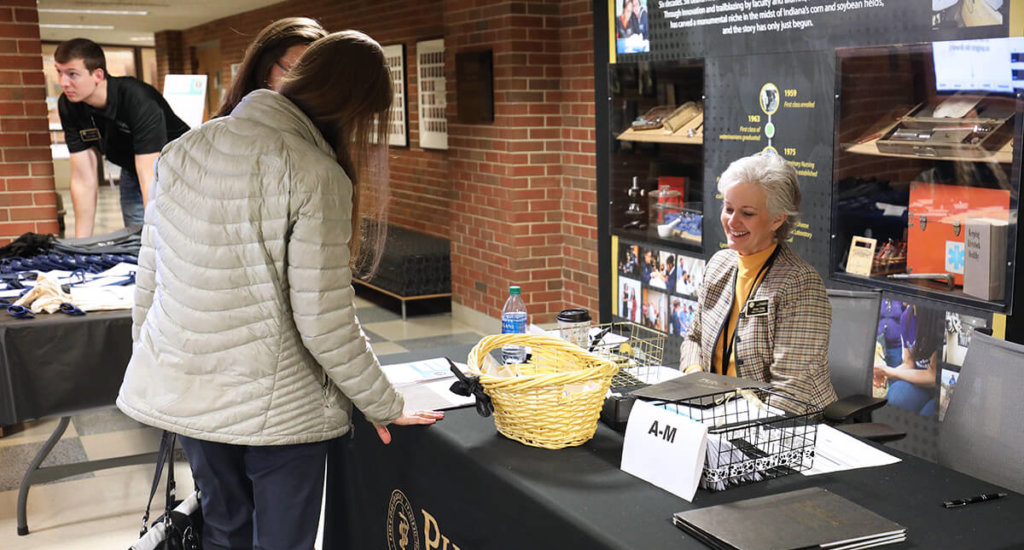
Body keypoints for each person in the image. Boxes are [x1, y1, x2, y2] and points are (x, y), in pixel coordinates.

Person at [116, 31, 441, 550]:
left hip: (189, 392)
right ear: (351, 106)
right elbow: (325, 321)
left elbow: (149, 281)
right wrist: (383, 402)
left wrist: (160, 368)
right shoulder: (315, 173)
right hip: (279, 412)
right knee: (283, 541)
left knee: (223, 529)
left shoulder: (183, 150)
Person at [678, 151, 837, 410]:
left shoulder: (800, 284)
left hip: (780, 429)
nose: (732, 221)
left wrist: (737, 429)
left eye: (747, 213)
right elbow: (693, 339)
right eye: (728, 209)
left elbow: (790, 393)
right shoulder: (719, 264)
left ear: (777, 219)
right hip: (717, 412)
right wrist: (695, 377)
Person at [55, 38, 190, 237]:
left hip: (179, 168)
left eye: (72, 74)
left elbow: (149, 175)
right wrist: (82, 247)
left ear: (98, 75)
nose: (63, 83)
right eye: (59, 72)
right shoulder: (69, 105)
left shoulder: (138, 99)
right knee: (136, 238)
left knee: (171, 237)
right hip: (133, 167)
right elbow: (84, 178)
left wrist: (156, 241)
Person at [215, 16, 328, 117]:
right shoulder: (219, 131)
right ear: (263, 67)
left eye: (315, 75)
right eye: (295, 71)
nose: (305, 85)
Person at [873, 304, 942, 416]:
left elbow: (933, 377)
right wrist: (885, 372)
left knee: (927, 414)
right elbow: (909, 363)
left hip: (937, 389)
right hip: (918, 385)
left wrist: (891, 372)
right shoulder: (907, 317)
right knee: (896, 395)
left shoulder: (937, 319)